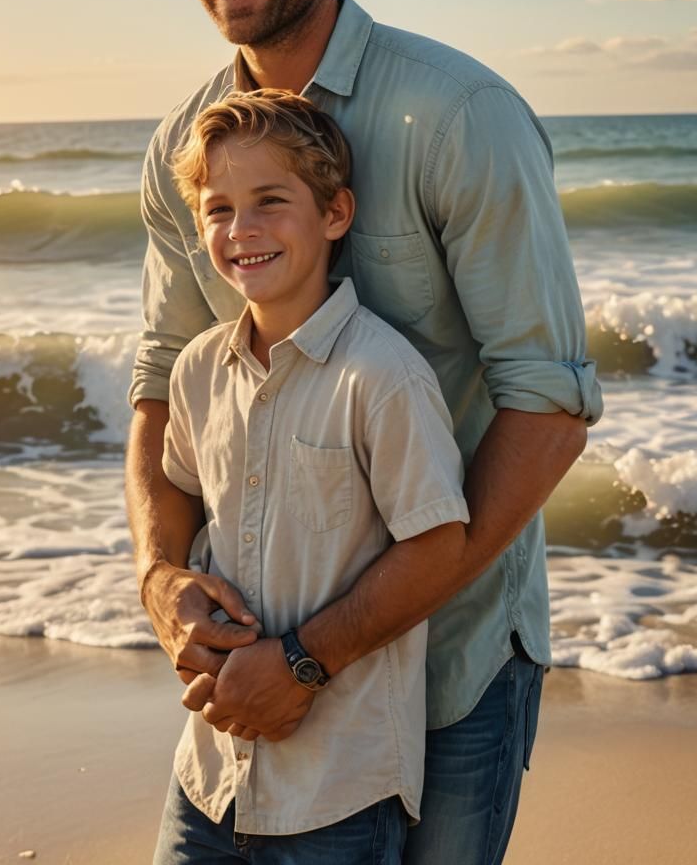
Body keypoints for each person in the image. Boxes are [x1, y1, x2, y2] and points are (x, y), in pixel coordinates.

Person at [127, 0, 603, 865]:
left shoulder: (456, 117)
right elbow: (163, 385)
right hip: (253, 668)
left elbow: (549, 405)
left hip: (449, 663)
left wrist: (322, 654)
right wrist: (161, 583)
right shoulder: (183, 152)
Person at [150, 89, 469, 863]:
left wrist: (298, 661)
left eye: (270, 201)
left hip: (339, 793)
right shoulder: (197, 372)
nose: (242, 230)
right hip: (208, 776)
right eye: (219, 209)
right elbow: (184, 498)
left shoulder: (381, 375)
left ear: (335, 214)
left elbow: (438, 547)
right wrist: (170, 588)